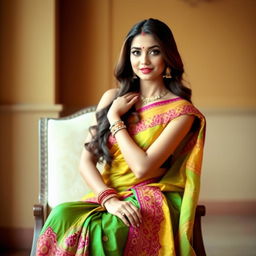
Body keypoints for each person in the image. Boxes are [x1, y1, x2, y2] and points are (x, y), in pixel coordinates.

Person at [36, 18, 206, 256]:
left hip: (151, 198)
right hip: (108, 197)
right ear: (128, 57)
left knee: (108, 230)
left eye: (154, 52)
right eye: (136, 52)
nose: (143, 61)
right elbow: (86, 162)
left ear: (168, 56)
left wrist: (115, 119)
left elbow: (142, 169)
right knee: (61, 215)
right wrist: (109, 200)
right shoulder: (111, 97)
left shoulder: (181, 112)